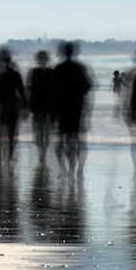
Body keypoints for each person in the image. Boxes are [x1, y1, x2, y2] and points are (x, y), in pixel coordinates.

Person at [51, 41, 92, 174]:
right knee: (75, 137)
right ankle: (75, 167)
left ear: (63, 52)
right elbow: (88, 86)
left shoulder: (58, 68)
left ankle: (64, 168)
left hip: (62, 107)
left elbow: (52, 90)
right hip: (76, 106)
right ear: (74, 52)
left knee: (63, 137)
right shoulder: (79, 68)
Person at [27, 49, 55, 159]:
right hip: (37, 105)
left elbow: (55, 90)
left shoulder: (51, 72)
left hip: (47, 106)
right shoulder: (34, 72)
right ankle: (41, 151)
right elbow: (29, 89)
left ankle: (43, 150)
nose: (42, 61)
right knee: (38, 131)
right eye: (41, 59)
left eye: (43, 59)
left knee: (46, 131)